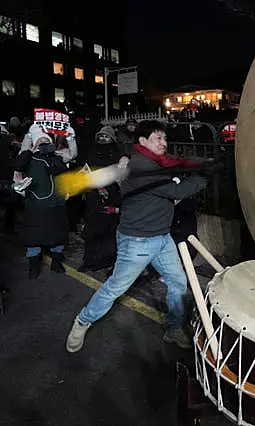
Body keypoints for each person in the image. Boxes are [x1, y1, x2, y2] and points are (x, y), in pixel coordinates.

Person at [66, 120, 208, 353]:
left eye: (165, 138)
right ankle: (83, 321)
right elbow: (178, 191)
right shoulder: (142, 167)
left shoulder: (155, 161)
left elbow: (177, 168)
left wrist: (199, 165)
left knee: (178, 283)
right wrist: (203, 176)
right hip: (138, 241)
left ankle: (173, 328)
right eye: (158, 138)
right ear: (143, 141)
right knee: (115, 287)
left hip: (161, 238)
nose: (164, 143)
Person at [12, 127, 69, 279]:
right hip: (36, 204)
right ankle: (33, 266)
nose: (43, 143)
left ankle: (56, 262)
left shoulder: (56, 157)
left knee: (58, 235)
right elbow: (18, 165)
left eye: (46, 141)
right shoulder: (29, 157)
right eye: (40, 141)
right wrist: (30, 150)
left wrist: (54, 155)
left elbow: (61, 170)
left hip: (56, 203)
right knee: (34, 236)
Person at [78, 126, 129, 272]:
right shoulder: (92, 152)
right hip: (93, 196)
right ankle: (90, 261)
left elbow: (122, 175)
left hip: (111, 196)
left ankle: (108, 260)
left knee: (109, 230)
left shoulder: (118, 155)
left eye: (106, 137)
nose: (103, 140)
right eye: (100, 137)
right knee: (92, 229)